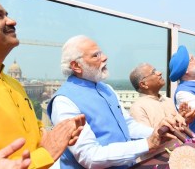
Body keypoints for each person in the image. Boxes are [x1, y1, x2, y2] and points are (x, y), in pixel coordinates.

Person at [0, 0, 85, 168]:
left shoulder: (13, 84)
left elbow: (35, 132)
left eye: (7, 15)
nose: (12, 21)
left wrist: (53, 136)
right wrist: (46, 153)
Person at [47, 35, 181, 169]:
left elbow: (127, 126)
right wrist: (147, 144)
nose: (105, 57)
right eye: (96, 55)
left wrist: (158, 133)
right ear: (76, 66)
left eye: (101, 53)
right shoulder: (64, 101)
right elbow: (90, 156)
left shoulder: (106, 89)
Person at [129, 63, 195, 128]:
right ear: (143, 84)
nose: (159, 73)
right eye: (153, 72)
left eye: (156, 70)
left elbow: (177, 130)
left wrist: (184, 120)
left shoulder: (168, 101)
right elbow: (148, 138)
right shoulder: (138, 108)